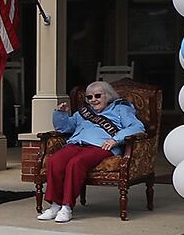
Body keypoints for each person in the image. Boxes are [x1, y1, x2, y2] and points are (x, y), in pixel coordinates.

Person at [39, 80, 145, 223]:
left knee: (76, 163)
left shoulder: (121, 109)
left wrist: (116, 139)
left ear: (107, 96)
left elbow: (137, 127)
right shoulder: (83, 113)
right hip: (77, 144)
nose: (93, 100)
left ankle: (66, 207)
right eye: (89, 97)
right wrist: (61, 114)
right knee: (55, 160)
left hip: (101, 146)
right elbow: (65, 128)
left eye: (97, 96)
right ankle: (55, 206)